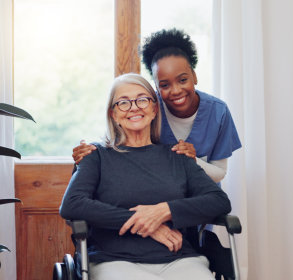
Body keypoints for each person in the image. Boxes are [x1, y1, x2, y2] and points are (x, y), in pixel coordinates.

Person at [60, 73, 231, 280]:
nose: (134, 107)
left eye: (142, 99)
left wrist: (164, 211)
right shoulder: (96, 156)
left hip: (179, 260)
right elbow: (72, 204)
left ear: (154, 108)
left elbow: (219, 201)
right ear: (113, 114)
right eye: (123, 102)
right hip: (115, 260)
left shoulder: (178, 155)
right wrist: (145, 224)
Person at [72, 28, 241, 187]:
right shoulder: (146, 107)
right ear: (156, 87)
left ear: (194, 76)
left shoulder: (218, 112)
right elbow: (122, 145)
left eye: (183, 80)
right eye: (164, 85)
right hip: (158, 194)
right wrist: (90, 153)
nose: (175, 91)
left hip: (200, 196)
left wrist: (192, 159)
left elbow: (219, 172)